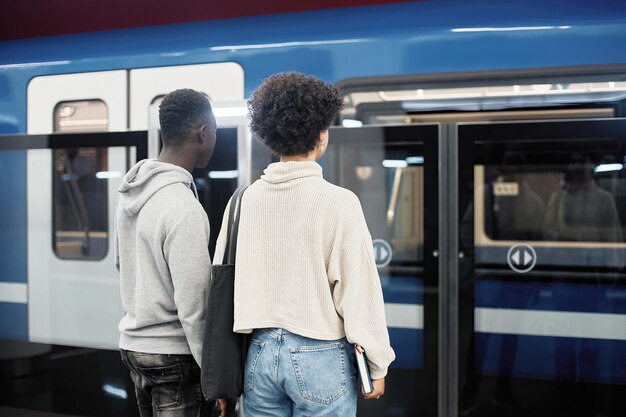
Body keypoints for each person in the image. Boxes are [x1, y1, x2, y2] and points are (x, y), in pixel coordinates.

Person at [213, 72, 395, 417]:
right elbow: (358, 291)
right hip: (321, 355)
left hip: (258, 353)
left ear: (270, 138)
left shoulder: (242, 202)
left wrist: (222, 377)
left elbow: (222, 284)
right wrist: (377, 362)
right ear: (321, 136)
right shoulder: (339, 202)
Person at [115, 88, 217, 417]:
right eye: (214, 132)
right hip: (173, 355)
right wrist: (214, 376)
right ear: (203, 134)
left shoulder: (131, 193)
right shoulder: (183, 208)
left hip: (135, 347)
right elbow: (195, 305)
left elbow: (123, 264)